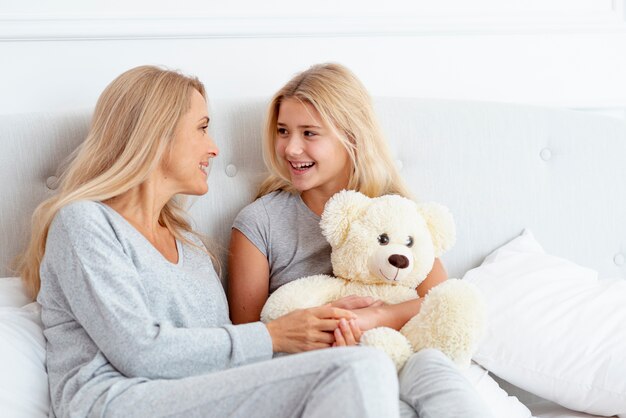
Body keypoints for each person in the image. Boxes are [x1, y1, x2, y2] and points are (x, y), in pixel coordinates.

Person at [17, 65, 400, 418]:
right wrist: (274, 334)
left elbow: (226, 355)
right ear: (157, 134)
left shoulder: (191, 247)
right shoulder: (85, 222)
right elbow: (139, 351)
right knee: (360, 368)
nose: (214, 147)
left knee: (359, 366)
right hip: (118, 401)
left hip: (196, 396)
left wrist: (323, 325)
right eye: (202, 128)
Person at [228, 63, 492, 418]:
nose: (290, 148)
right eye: (282, 131)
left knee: (433, 367)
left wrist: (376, 317)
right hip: (317, 368)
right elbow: (249, 341)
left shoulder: (393, 210)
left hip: (399, 353)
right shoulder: (260, 222)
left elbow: (440, 301)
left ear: (351, 137)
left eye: (309, 133)